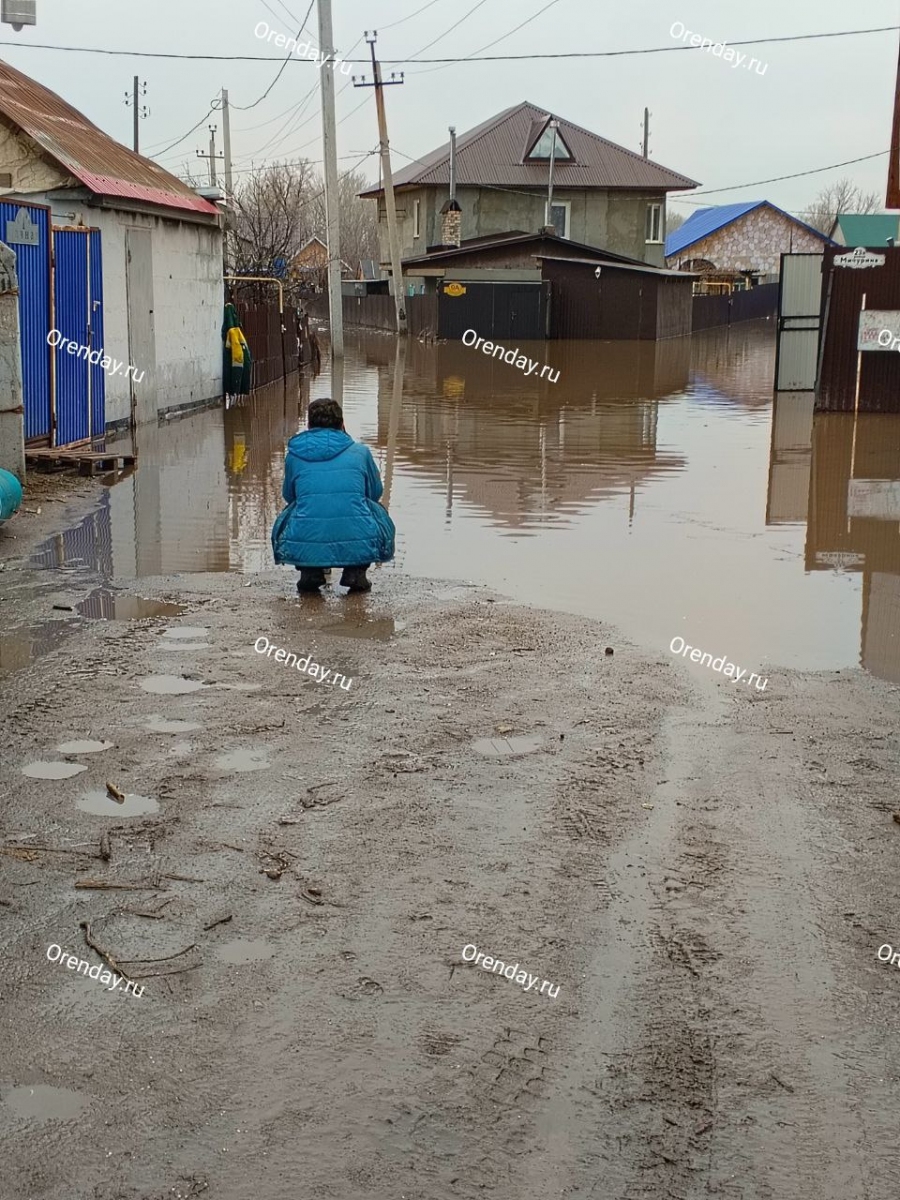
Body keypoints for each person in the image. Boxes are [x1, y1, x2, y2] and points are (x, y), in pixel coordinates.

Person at [272, 397, 395, 594]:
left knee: (297, 508)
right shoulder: (360, 452)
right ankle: (356, 571)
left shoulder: (294, 455)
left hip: (306, 533)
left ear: (309, 425)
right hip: (358, 533)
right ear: (342, 424)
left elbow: (289, 495)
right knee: (375, 510)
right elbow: (374, 493)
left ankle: (310, 571)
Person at [222, 301, 252, 404]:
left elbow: (237, 355)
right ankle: (237, 403)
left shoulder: (233, 333)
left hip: (237, 366)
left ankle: (234, 403)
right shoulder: (237, 332)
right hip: (242, 365)